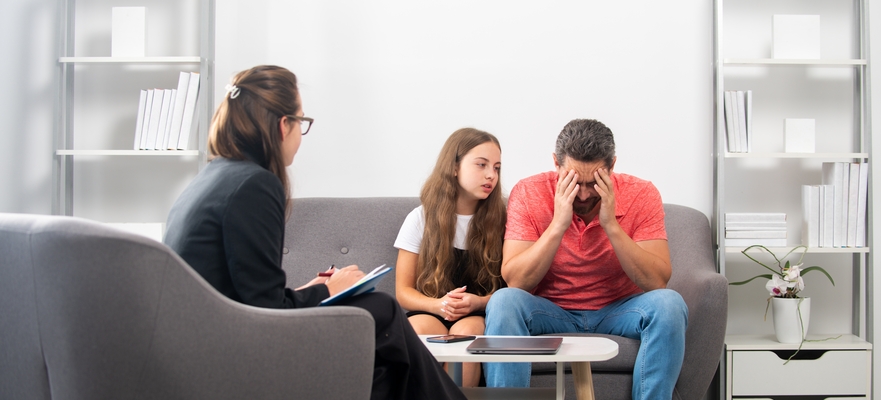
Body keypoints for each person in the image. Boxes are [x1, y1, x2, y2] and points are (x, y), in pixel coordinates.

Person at [163, 65, 466, 400]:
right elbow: (266, 312)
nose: (300, 134)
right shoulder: (255, 185)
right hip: (235, 348)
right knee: (383, 308)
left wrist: (312, 288)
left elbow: (248, 296)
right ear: (283, 125)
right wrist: (328, 291)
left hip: (205, 341)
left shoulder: (212, 177)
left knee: (384, 366)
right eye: (302, 122)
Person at [483, 119, 688, 399]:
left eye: (594, 183)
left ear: (612, 166)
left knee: (670, 304)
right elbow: (516, 281)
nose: (583, 194)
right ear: (556, 163)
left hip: (619, 311)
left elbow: (657, 282)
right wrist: (558, 224)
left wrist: (611, 225)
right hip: (551, 310)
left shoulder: (642, 193)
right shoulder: (529, 192)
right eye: (574, 181)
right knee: (503, 301)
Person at [393, 128, 507, 387]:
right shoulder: (420, 218)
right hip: (431, 308)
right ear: (454, 167)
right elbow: (403, 291)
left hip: (479, 311)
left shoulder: (503, 220)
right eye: (481, 165)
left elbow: (513, 289)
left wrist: (477, 303)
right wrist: (439, 306)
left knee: (464, 335)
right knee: (418, 330)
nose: (491, 175)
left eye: (497, 167)